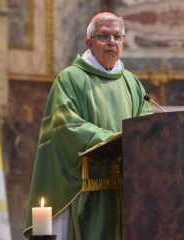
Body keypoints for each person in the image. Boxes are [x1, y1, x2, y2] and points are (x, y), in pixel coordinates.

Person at [24, 12, 151, 239]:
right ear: (89, 43)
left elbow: (146, 124)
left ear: (123, 42)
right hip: (85, 188)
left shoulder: (131, 82)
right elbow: (66, 124)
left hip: (125, 189)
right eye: (104, 36)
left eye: (117, 37)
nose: (112, 42)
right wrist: (114, 139)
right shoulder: (71, 78)